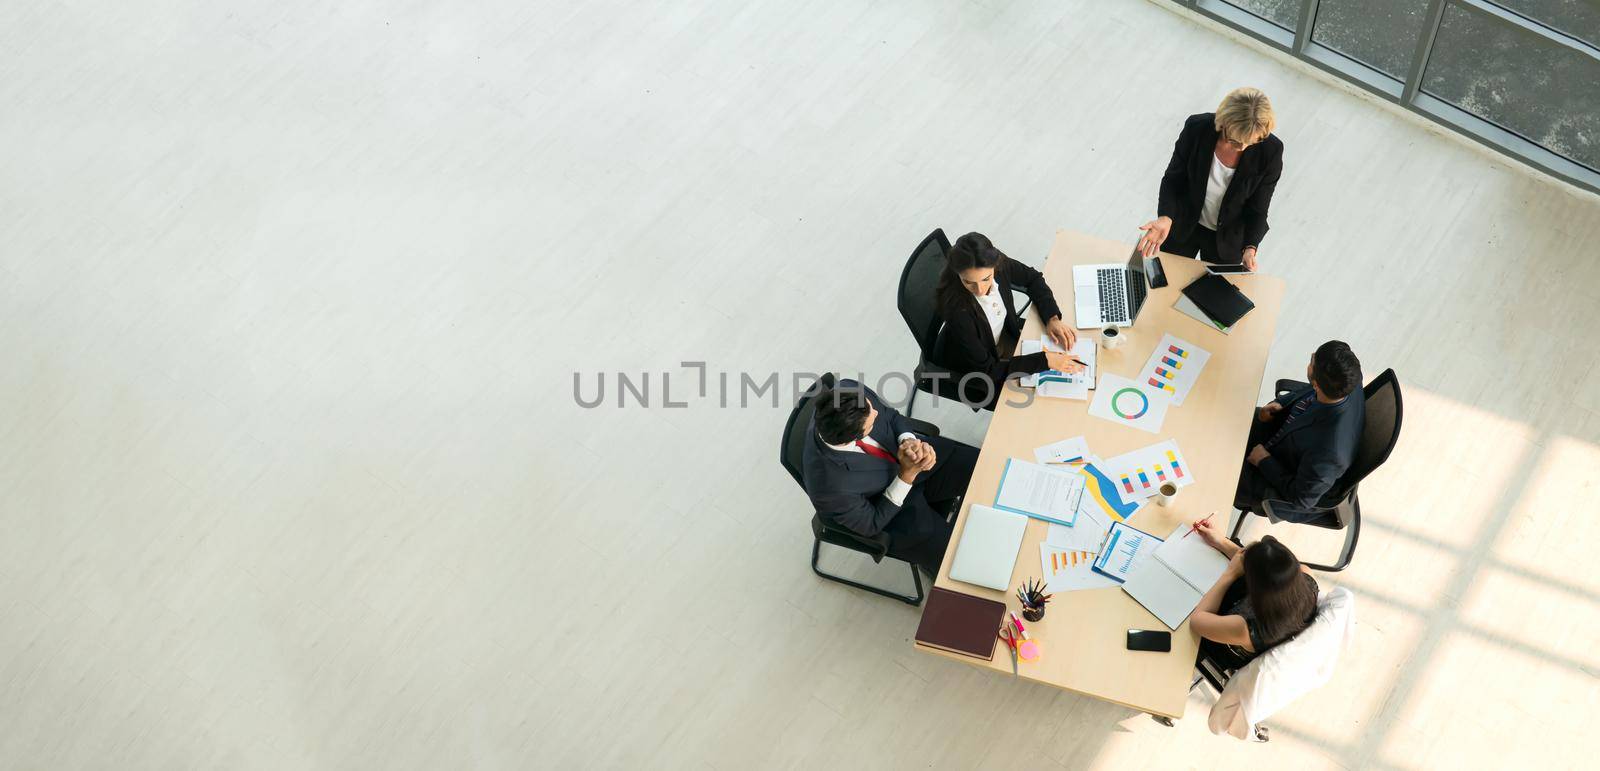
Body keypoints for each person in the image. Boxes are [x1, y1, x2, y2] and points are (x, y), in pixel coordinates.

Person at [801, 379, 979, 575]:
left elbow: (891, 416)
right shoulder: (828, 487)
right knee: (959, 560)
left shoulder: (850, 390)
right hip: (893, 511)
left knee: (986, 469)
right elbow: (871, 524)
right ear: (854, 437)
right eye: (870, 422)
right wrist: (906, 476)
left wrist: (909, 440)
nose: (876, 412)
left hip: (912, 463)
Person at [930, 232, 1083, 410]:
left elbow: (1032, 278)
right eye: (969, 282)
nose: (979, 290)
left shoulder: (997, 263)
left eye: (986, 279)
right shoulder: (958, 312)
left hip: (1001, 338)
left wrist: (1052, 318)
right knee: (1042, 405)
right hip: (977, 367)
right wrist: (1045, 361)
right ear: (958, 274)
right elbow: (987, 370)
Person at [1136, 87, 1283, 270]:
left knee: (1211, 295)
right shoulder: (1196, 128)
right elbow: (1173, 179)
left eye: (1253, 141)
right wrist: (1165, 217)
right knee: (1164, 278)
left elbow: (1258, 208)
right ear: (1224, 123)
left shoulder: (1271, 151)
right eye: (1236, 141)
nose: (1243, 147)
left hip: (1227, 239)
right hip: (1183, 224)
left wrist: (1250, 247)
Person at [1235, 341, 1365, 523]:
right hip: (1285, 433)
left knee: (1208, 463)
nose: (1310, 359)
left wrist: (1264, 461)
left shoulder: (1330, 453)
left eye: (1312, 361)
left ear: (1317, 383)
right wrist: (1283, 403)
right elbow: (1311, 391)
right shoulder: (1348, 377)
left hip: (1274, 472)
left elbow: (1302, 500)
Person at [1189, 521, 1320, 671]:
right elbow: (1266, 568)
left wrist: (1230, 574)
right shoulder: (1306, 576)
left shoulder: (1245, 628)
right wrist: (1221, 542)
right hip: (1264, 619)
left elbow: (1197, 620)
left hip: (1222, 647)